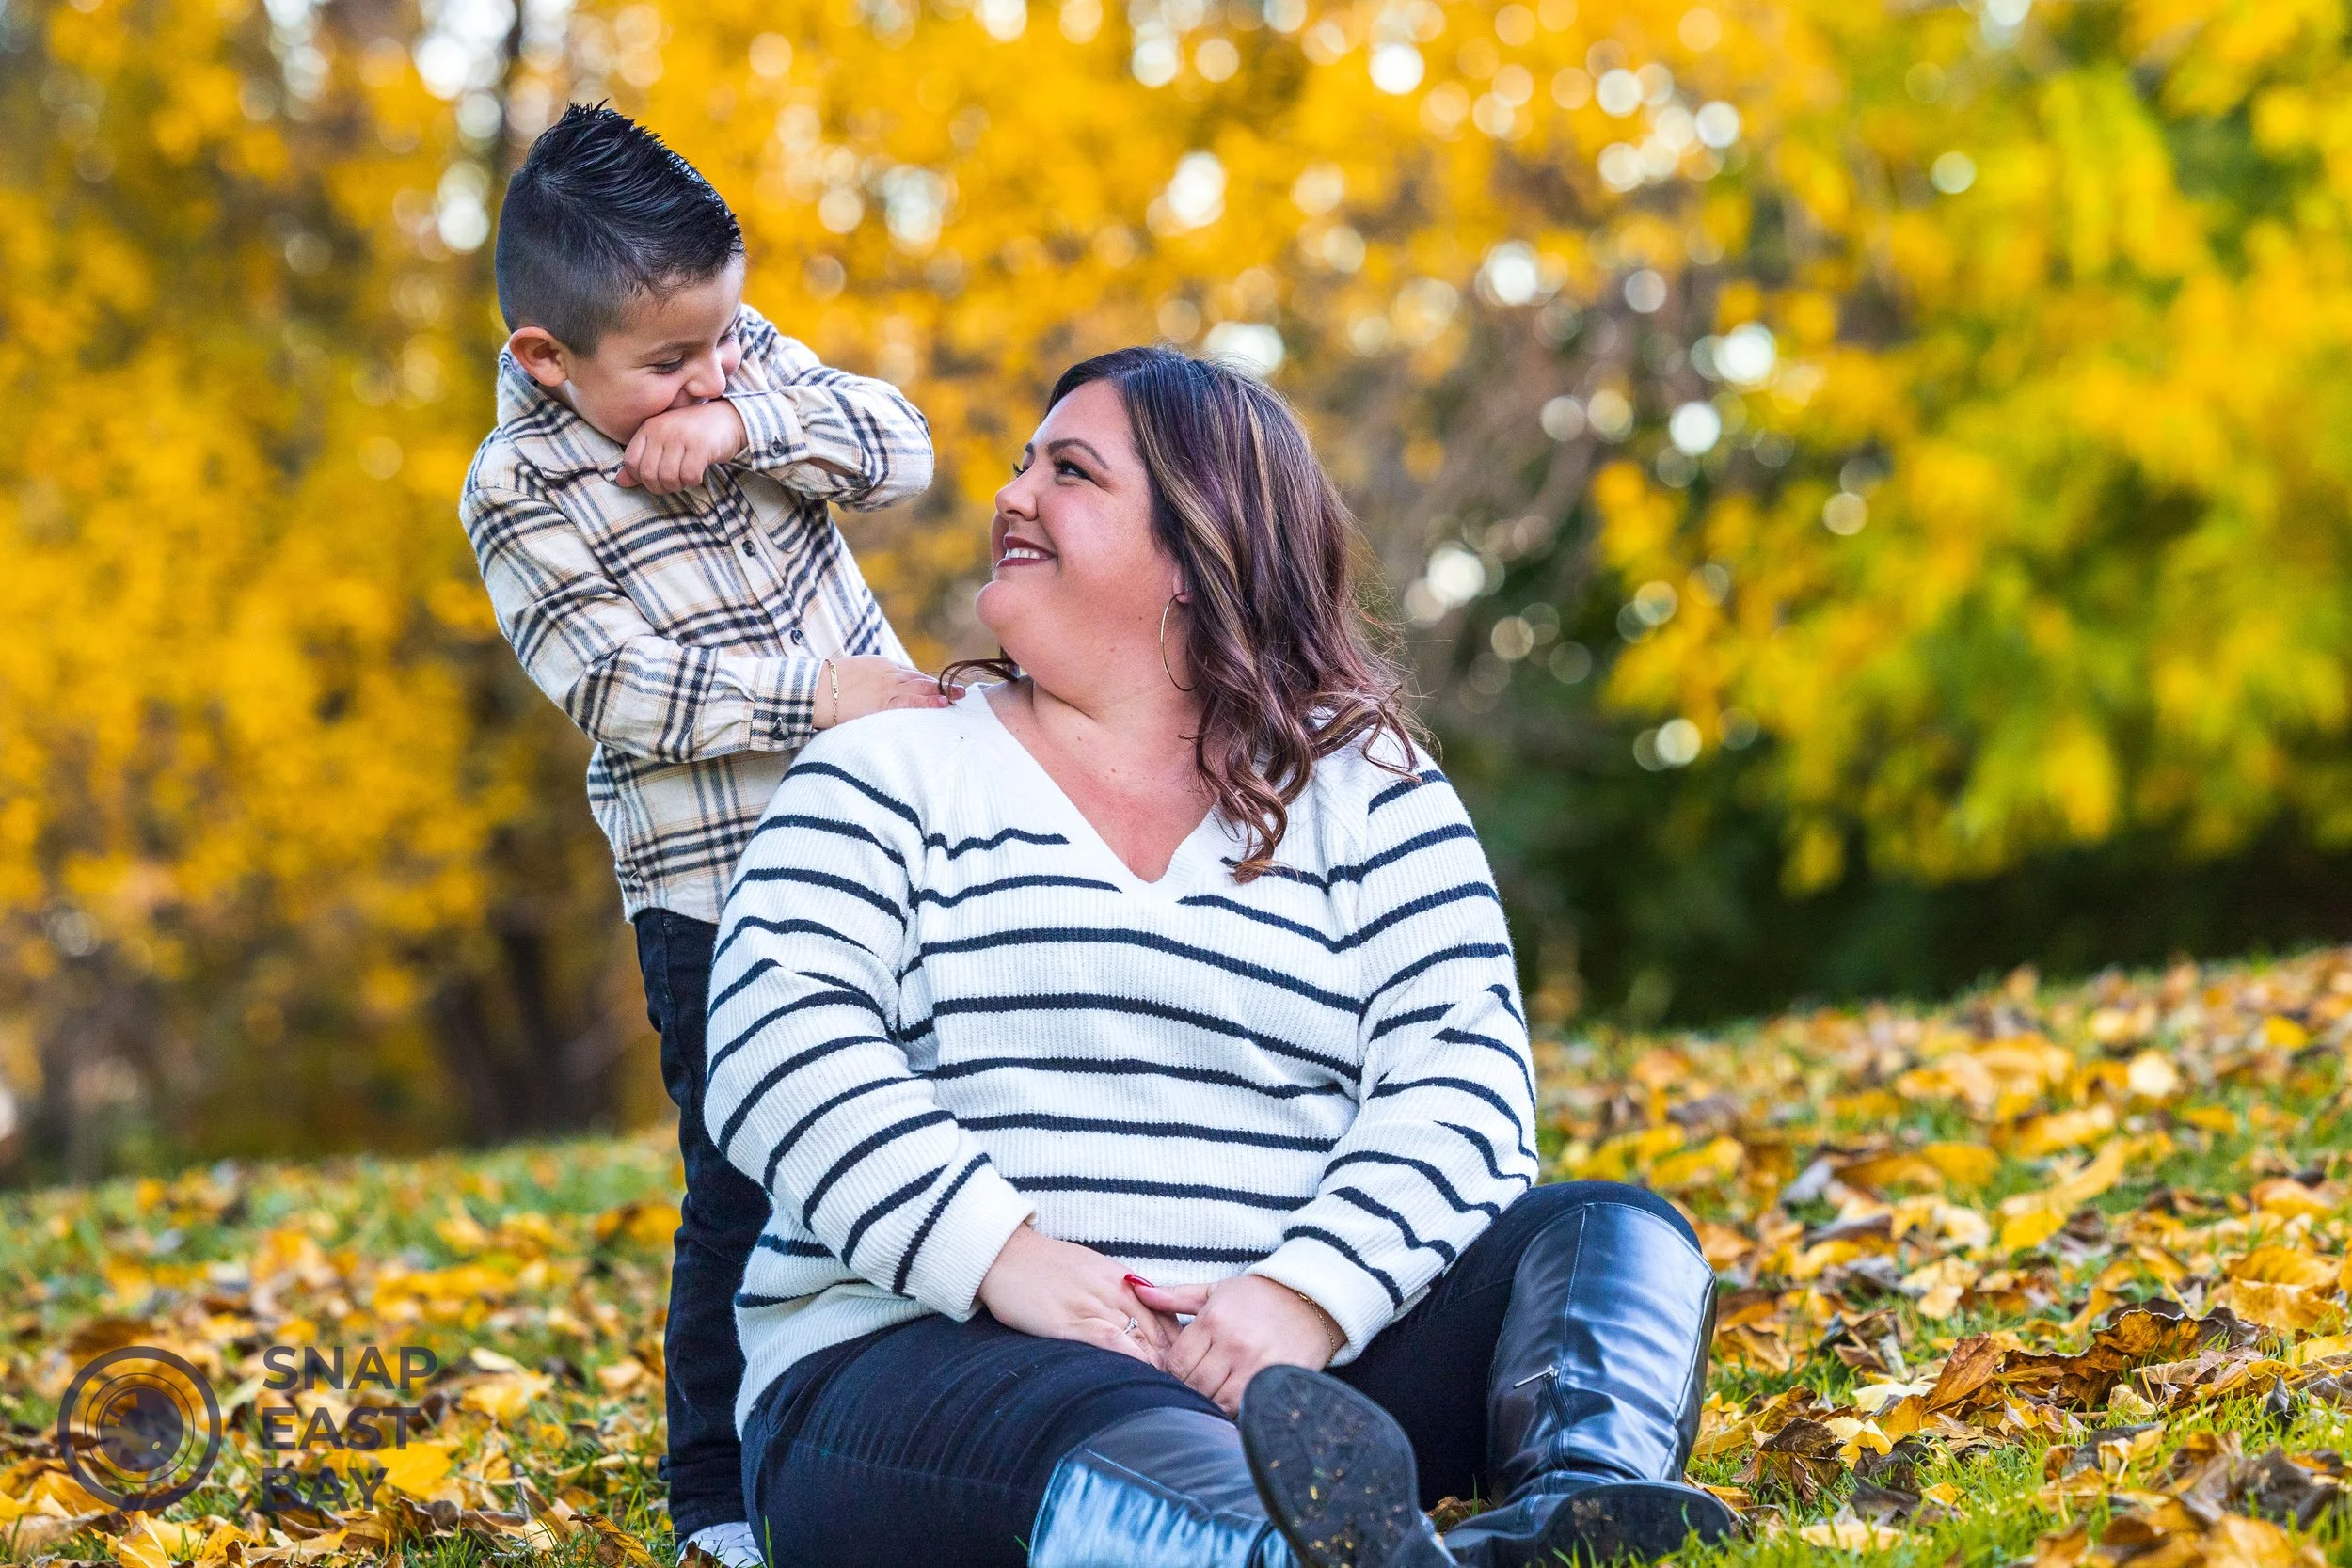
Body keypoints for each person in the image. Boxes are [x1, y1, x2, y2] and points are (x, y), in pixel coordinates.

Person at [702, 347, 1735, 1568]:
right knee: (1097, 1427)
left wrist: (1303, 1295)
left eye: (1070, 470)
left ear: (1198, 552)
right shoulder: (889, 767)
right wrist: (1003, 1257)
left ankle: (1572, 1509)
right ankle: (1297, 1554)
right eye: (1024, 462)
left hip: (1294, 1374)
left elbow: (1463, 1083)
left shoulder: (1368, 789)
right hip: (929, 1370)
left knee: (1610, 1231)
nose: (1012, 494)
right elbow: (781, 1043)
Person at [456, 103, 948, 1568]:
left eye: (723, 338)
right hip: (713, 892)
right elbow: (614, 682)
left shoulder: (737, 362)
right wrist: (821, 694)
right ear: (549, 356)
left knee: (929, 1108)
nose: (706, 369)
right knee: (744, 1173)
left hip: (892, 838)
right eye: (669, 362)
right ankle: (716, 1495)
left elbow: (903, 448)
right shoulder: (516, 486)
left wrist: (745, 415)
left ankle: (915, 1397)